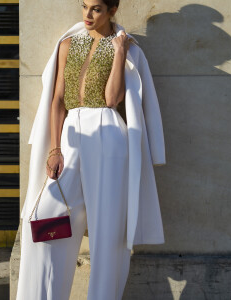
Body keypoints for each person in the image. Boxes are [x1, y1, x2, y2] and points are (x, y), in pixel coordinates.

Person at [16, 0, 166, 299]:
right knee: (46, 220)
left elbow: (112, 99)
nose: (87, 14)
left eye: (96, 8)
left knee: (107, 232)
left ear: (112, 9)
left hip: (109, 135)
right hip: (71, 131)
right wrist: (55, 149)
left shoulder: (126, 47)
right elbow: (57, 100)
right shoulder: (68, 44)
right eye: (83, 6)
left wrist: (121, 51)